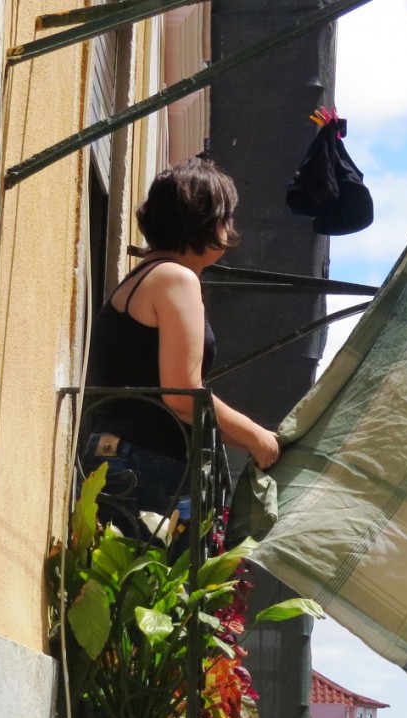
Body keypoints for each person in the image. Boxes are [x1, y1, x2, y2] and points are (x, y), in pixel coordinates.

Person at [81, 158, 279, 534]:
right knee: (147, 589)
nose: (230, 228)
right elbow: (183, 395)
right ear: (205, 219)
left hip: (120, 457)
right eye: (226, 216)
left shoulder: (145, 276)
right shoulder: (175, 278)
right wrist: (256, 436)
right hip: (144, 464)